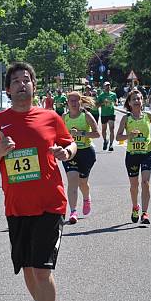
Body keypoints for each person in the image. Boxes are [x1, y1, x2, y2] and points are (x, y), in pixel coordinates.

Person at [0, 62, 77, 301]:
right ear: (8, 89)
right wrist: (1, 151)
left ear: (34, 86)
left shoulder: (50, 117)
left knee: (43, 269)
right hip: (17, 208)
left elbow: (70, 144)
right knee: (29, 271)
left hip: (50, 204)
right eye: (16, 81)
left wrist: (66, 153)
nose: (23, 85)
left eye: (27, 80)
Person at [116, 89, 151, 225]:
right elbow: (118, 137)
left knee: (145, 183)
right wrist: (129, 136)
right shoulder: (126, 118)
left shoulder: (147, 116)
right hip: (132, 155)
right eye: (134, 99)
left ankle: (145, 213)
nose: (137, 101)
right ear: (129, 102)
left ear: (142, 101)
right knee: (134, 186)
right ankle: (135, 207)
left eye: (139, 99)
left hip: (147, 153)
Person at [63, 91, 100, 224]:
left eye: (75, 100)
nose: (73, 103)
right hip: (71, 153)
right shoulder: (64, 117)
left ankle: (86, 198)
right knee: (72, 179)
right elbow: (60, 135)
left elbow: (97, 134)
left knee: (82, 182)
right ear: (67, 103)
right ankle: (73, 211)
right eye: (70, 100)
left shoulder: (86, 116)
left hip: (86, 152)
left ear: (80, 102)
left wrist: (81, 133)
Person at [97, 81, 118, 151]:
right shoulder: (101, 95)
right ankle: (105, 140)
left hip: (111, 113)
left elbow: (116, 100)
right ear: (104, 87)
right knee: (104, 130)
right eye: (106, 85)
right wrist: (103, 103)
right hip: (104, 114)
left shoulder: (113, 94)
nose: (108, 87)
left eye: (109, 85)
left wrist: (116, 102)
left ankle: (111, 145)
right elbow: (97, 105)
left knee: (111, 129)